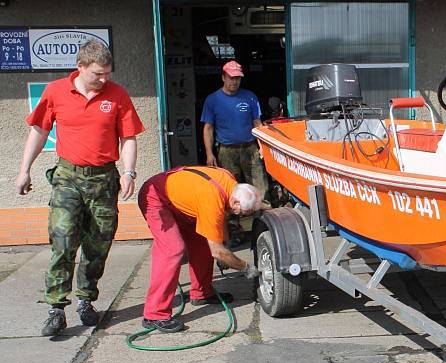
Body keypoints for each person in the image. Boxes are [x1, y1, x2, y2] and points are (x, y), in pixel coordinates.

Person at [14, 40, 144, 337]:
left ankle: (86, 301)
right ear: (80, 67)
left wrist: (129, 172)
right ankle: (56, 309)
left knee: (98, 245)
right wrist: (24, 170)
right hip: (67, 178)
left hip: (103, 180)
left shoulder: (118, 94)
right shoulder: (56, 91)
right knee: (63, 239)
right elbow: (39, 131)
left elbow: (129, 138)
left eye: (108, 73)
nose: (104, 79)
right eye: (98, 74)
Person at [137, 166, 262, 333]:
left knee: (203, 242)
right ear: (235, 202)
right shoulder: (212, 199)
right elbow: (216, 249)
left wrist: (224, 245)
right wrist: (245, 267)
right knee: (173, 249)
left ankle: (201, 293)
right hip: (155, 197)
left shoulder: (229, 183)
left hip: (182, 203)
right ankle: (154, 314)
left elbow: (220, 217)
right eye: (244, 212)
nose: (242, 216)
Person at [201, 60, 276, 207]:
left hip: (250, 148)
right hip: (226, 151)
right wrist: (209, 154)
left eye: (237, 78)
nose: (234, 82)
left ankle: (263, 219)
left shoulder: (250, 97)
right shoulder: (212, 100)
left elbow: (257, 123)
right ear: (223, 77)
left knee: (260, 184)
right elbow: (208, 128)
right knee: (229, 188)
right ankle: (234, 224)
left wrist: (262, 146)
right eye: (231, 77)